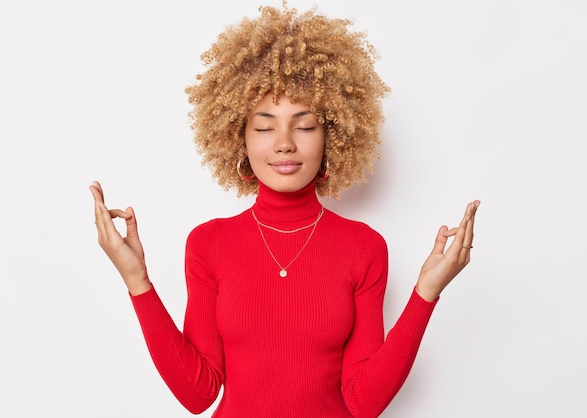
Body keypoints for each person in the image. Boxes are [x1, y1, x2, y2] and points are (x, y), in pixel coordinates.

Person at [89, 4, 480, 417]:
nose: (284, 143)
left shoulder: (364, 248)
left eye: (305, 125)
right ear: (238, 138)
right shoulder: (208, 244)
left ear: (333, 136)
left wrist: (425, 293)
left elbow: (364, 402)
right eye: (264, 126)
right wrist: (137, 279)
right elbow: (198, 393)